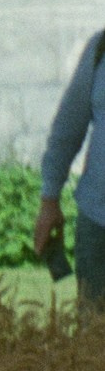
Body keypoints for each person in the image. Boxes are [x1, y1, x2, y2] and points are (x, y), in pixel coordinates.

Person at [35, 27, 105, 306]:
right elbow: (67, 128)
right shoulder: (100, 49)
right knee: (93, 341)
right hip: (98, 226)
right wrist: (49, 200)